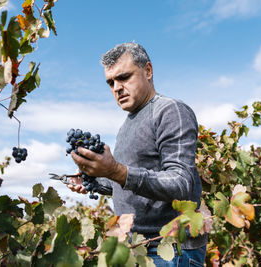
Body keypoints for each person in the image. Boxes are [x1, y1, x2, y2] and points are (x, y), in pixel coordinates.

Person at [68, 42, 207, 266]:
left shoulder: (170, 111)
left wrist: (114, 170)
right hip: (138, 248)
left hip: (171, 250)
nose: (116, 87)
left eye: (124, 77)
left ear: (148, 71)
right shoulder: (127, 124)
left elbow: (181, 183)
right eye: (111, 82)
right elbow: (131, 182)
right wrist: (93, 179)